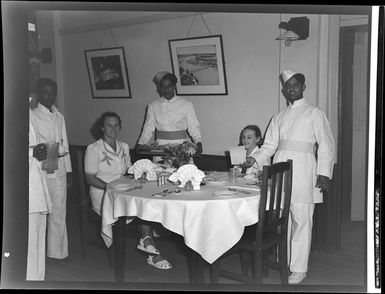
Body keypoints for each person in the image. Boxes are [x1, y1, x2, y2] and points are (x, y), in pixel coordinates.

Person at [246, 69, 335, 284]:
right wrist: (254, 159)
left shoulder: (315, 113)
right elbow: (268, 146)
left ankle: (299, 268)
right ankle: (285, 260)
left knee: (302, 219)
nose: (292, 88)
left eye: (296, 85)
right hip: (281, 171)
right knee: (282, 220)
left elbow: (327, 144)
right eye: (288, 86)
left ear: (303, 87)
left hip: (305, 171)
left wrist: (324, 173)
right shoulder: (279, 116)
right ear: (284, 90)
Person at [85, 112, 172, 270]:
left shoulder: (124, 147)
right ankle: (150, 247)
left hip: (123, 190)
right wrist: (111, 189)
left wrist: (142, 175)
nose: (113, 128)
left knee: (144, 204)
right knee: (137, 207)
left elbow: (129, 172)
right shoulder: (94, 149)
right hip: (103, 194)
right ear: (102, 128)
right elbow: (90, 179)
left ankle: (147, 242)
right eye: (109, 125)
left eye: (116, 125)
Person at [32, 78, 72, 260]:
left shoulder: (59, 116)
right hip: (41, 170)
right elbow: (35, 146)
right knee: (42, 211)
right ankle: (37, 252)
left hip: (60, 169)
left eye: (53, 93)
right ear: (39, 94)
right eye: (46, 93)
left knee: (59, 211)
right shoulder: (32, 116)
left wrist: (69, 170)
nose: (50, 96)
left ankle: (57, 253)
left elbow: (65, 144)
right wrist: (55, 150)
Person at [136, 71, 203, 154]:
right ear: (159, 88)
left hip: (181, 149)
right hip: (160, 149)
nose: (166, 90)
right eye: (163, 87)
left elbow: (194, 128)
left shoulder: (186, 104)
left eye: (169, 86)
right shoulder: (153, 106)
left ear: (174, 86)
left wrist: (198, 142)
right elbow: (148, 129)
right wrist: (141, 143)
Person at [27, 100, 53, 280]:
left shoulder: (28, 112)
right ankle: (29, 280)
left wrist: (41, 151)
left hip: (37, 185)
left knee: (37, 239)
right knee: (29, 241)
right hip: (26, 188)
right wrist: (33, 153)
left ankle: (37, 280)